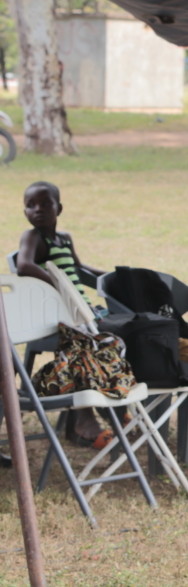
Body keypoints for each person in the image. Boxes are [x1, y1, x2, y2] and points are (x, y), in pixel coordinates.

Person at [16, 181, 109, 446]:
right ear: (24, 212)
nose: (38, 210)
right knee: (85, 344)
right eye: (30, 205)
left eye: (46, 204)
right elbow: (23, 264)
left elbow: (80, 269)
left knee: (116, 336)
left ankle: (112, 407)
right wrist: (57, 283)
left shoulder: (64, 238)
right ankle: (86, 417)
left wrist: (112, 275)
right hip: (55, 315)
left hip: (81, 310)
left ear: (60, 208)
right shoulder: (33, 237)